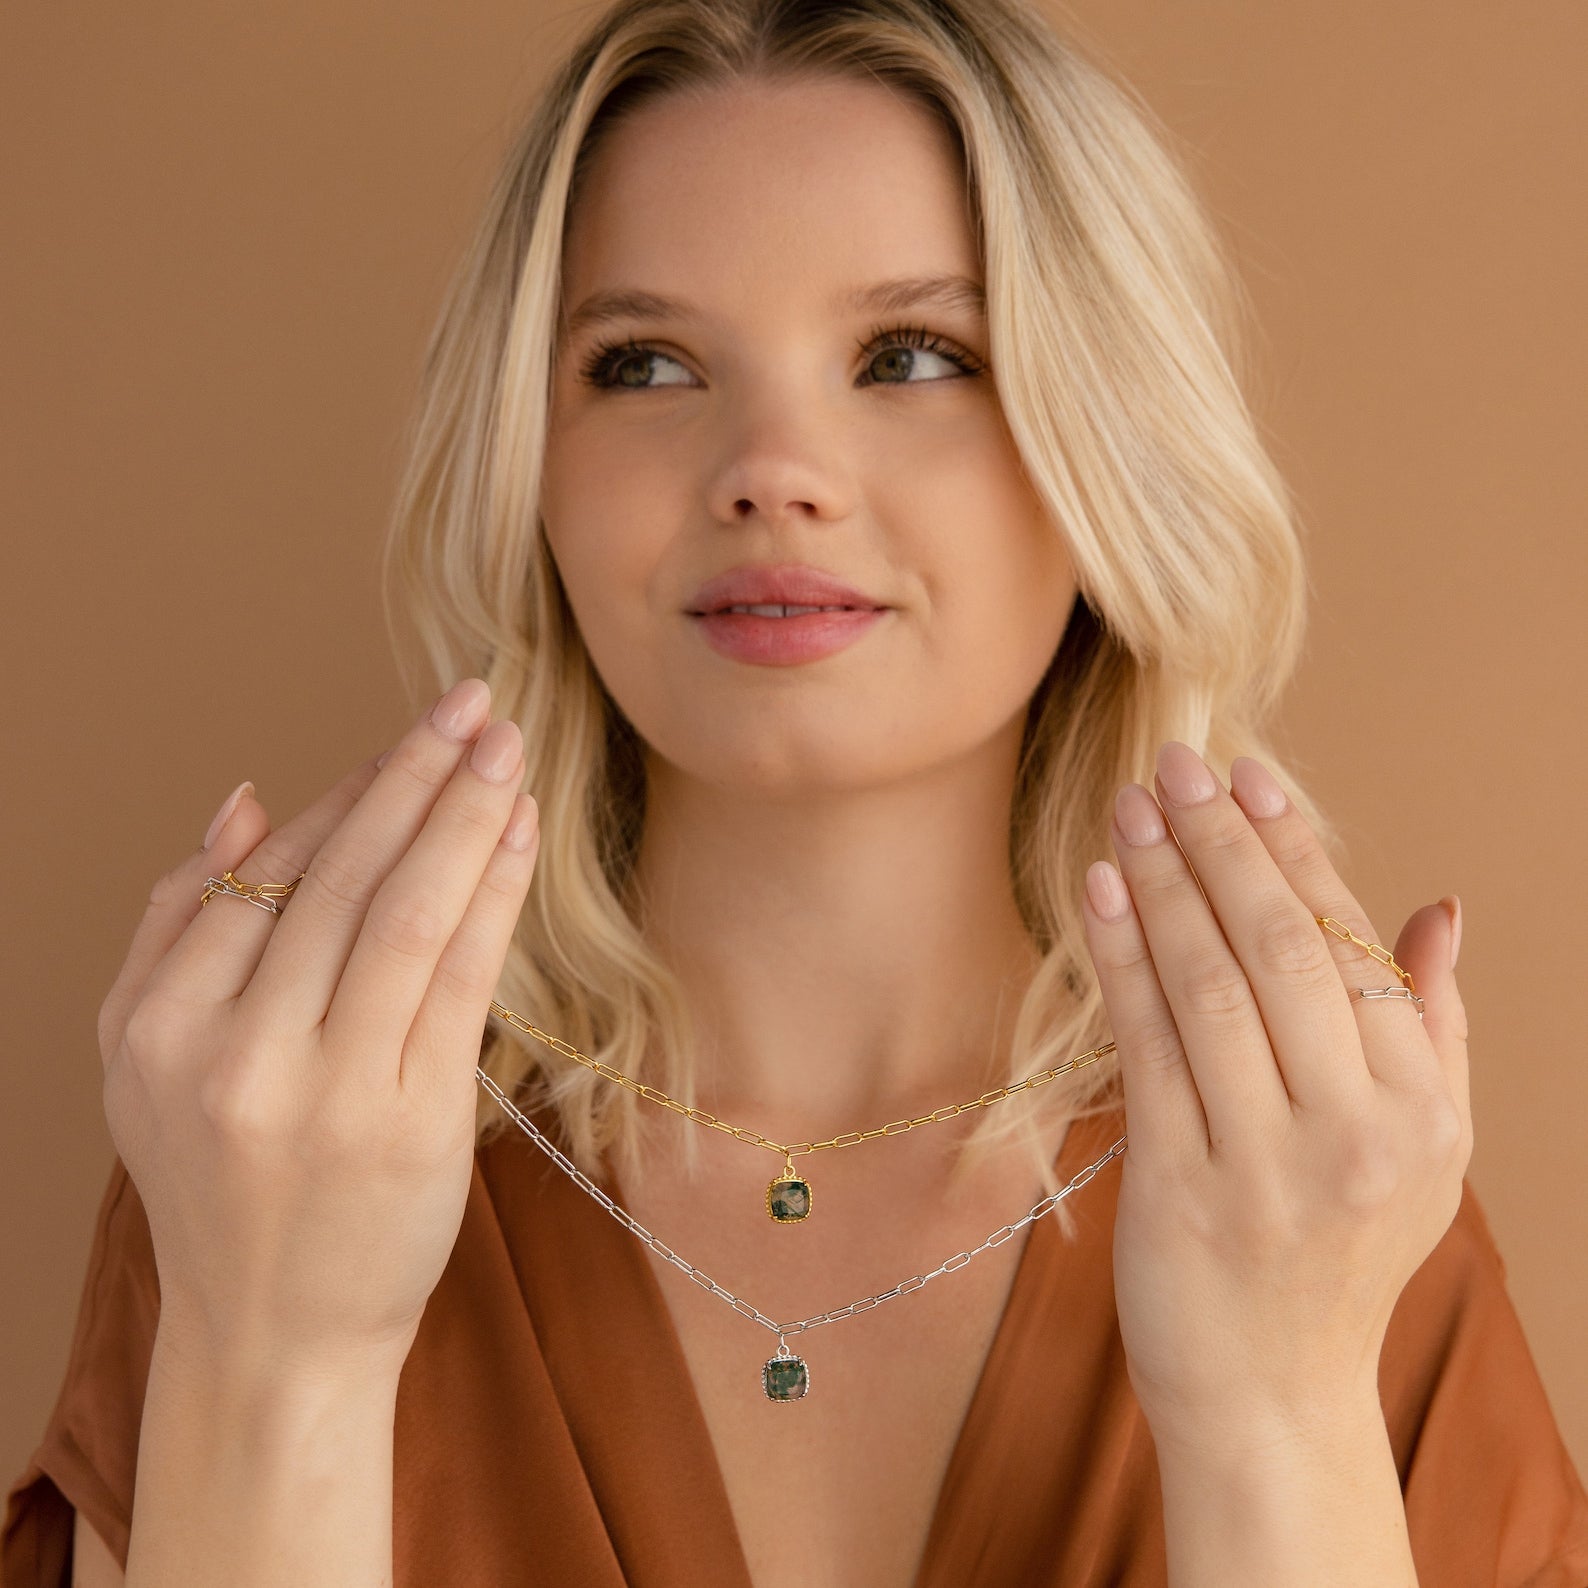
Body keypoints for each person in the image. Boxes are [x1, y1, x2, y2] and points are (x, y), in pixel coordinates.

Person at [7, 0, 1588, 1583]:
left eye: (910, 356)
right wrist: (280, 1370)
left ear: (1107, 438)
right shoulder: (262, 1159)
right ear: (528, 462)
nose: (771, 464)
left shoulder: (1344, 1201)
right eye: (643, 363)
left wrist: (1278, 1412)